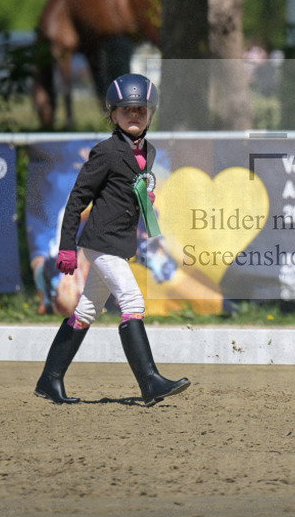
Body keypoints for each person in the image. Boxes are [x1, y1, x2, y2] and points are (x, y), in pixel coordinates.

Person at [34, 73, 190, 407]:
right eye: (126, 110)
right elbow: (77, 198)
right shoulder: (105, 152)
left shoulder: (149, 151)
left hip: (120, 242)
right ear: (113, 114)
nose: (135, 115)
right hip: (100, 242)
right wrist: (66, 246)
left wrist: (152, 230)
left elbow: (140, 194)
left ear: (151, 114)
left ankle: (50, 379)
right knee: (133, 303)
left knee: (87, 310)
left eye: (142, 110)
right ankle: (150, 381)